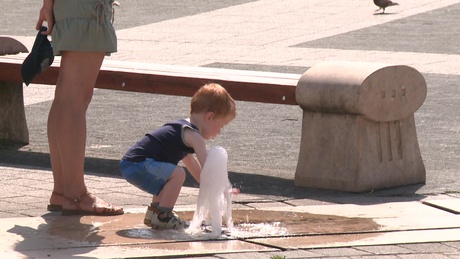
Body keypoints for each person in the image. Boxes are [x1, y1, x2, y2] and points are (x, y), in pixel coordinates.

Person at [37, 0, 123, 215]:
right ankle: (76, 196)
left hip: (72, 7)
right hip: (86, 8)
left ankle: (63, 191)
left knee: (65, 98)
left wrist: (48, 4)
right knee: (74, 100)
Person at [120, 83, 237, 229]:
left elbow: (195, 168)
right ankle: (163, 216)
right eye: (222, 125)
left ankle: (154, 213)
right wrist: (223, 186)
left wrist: (211, 186)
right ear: (209, 117)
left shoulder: (183, 130)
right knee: (178, 174)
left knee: (168, 176)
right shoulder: (194, 136)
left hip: (130, 164)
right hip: (138, 163)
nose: (220, 131)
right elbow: (208, 167)